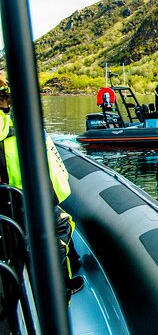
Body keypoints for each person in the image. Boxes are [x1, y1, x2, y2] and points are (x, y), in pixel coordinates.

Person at [0, 74, 83, 300]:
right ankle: (59, 292)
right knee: (56, 233)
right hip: (27, 194)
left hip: (17, 196)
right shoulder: (10, 127)